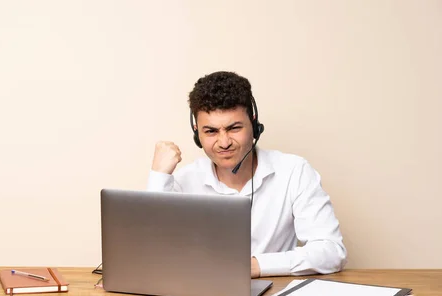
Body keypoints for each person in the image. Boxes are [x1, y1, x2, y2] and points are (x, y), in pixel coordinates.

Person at [147, 71, 347, 278]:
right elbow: (151, 256)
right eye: (211, 132)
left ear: (254, 124)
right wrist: (159, 176)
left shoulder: (294, 171)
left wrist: (256, 266)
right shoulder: (184, 180)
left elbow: (331, 251)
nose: (224, 143)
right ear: (197, 133)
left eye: (234, 128)